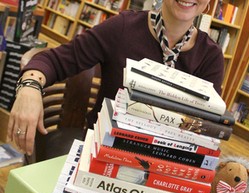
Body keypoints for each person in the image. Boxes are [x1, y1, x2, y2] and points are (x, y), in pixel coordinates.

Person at [7, 0, 224, 156]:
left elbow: (204, 127)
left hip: (164, 160)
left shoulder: (211, 57)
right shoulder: (122, 28)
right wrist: (29, 86)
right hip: (101, 149)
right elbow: (58, 59)